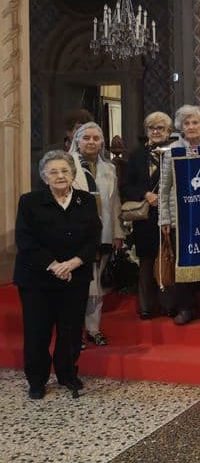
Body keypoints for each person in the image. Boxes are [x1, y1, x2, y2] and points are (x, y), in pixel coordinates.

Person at [15, 151, 101, 398]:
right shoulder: (29, 201)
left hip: (75, 276)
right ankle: (37, 380)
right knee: (37, 331)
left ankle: (67, 374)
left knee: (71, 331)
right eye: (53, 172)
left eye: (64, 170)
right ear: (44, 177)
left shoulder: (86, 200)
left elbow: (94, 237)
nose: (60, 175)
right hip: (37, 279)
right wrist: (54, 265)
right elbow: (25, 239)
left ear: (73, 174)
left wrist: (73, 263)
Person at [159, 105, 200, 325]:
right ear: (181, 127)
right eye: (187, 123)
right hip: (181, 217)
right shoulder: (172, 150)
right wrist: (164, 218)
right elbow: (164, 188)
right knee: (183, 263)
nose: (191, 126)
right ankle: (185, 308)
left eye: (195, 122)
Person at [68, 122, 124, 347]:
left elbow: (115, 201)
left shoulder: (109, 168)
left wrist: (118, 232)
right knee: (78, 286)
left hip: (104, 233)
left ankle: (93, 329)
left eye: (96, 138)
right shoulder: (66, 165)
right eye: (86, 138)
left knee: (97, 286)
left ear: (102, 142)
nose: (91, 142)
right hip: (76, 235)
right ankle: (74, 332)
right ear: (77, 140)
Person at [123, 112, 174, 319]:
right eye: (152, 128)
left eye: (160, 128)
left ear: (168, 131)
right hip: (145, 217)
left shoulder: (175, 152)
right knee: (146, 261)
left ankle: (168, 305)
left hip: (170, 215)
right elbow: (126, 185)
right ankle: (146, 307)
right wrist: (145, 194)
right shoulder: (137, 155)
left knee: (168, 258)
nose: (156, 131)